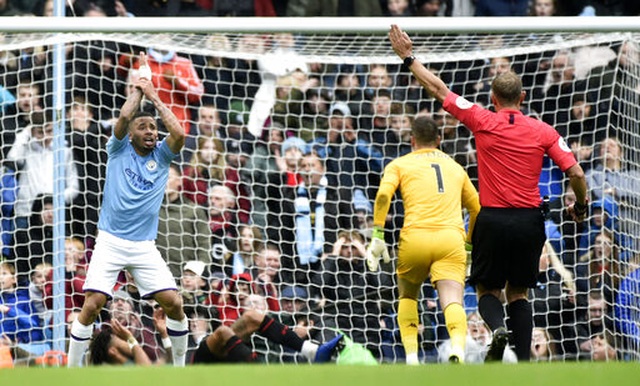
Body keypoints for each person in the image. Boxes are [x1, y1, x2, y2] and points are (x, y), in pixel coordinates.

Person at [387, 24, 589, 362]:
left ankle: (496, 329)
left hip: (491, 218)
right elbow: (577, 173)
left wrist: (408, 57)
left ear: (493, 99)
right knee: (520, 293)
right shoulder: (544, 131)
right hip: (529, 220)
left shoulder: (481, 119)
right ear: (522, 99)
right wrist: (580, 204)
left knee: (486, 289)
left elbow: (439, 89)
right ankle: (523, 361)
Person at [67, 52, 189, 367]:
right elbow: (122, 119)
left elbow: (179, 134)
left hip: (143, 246)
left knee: (174, 304)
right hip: (110, 240)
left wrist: (155, 97)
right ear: (132, 133)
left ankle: (179, 369)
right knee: (93, 304)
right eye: (144, 127)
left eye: (153, 127)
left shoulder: (162, 156)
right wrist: (139, 88)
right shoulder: (118, 148)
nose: (151, 131)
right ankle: (70, 371)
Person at [365, 115, 481, 364]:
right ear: (439, 140)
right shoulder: (455, 166)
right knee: (452, 299)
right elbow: (477, 209)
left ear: (412, 140)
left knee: (407, 296)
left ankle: (411, 357)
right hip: (450, 240)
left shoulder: (399, 164)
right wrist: (469, 245)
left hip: (415, 239)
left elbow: (384, 195)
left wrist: (378, 234)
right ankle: (458, 350)